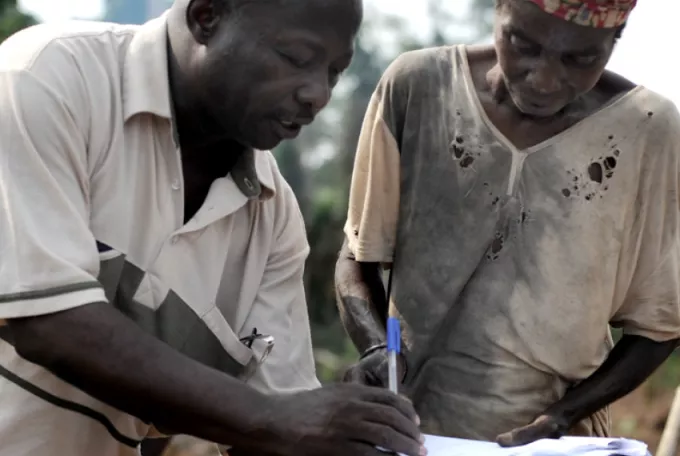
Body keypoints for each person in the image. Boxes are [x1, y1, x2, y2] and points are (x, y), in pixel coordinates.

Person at [0, 0, 426, 455]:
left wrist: (343, 419)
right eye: (297, 59)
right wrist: (273, 418)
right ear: (206, 17)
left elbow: (278, 422)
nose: (318, 95)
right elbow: (47, 321)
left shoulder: (272, 218)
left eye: (335, 72)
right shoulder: (43, 79)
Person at [336, 0, 680, 447]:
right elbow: (357, 256)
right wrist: (376, 347)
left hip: (556, 445)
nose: (544, 79)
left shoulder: (648, 131)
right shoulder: (418, 86)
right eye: (523, 44)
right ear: (498, 11)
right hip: (412, 433)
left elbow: (661, 325)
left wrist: (562, 417)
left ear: (615, 41)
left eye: (580, 59)